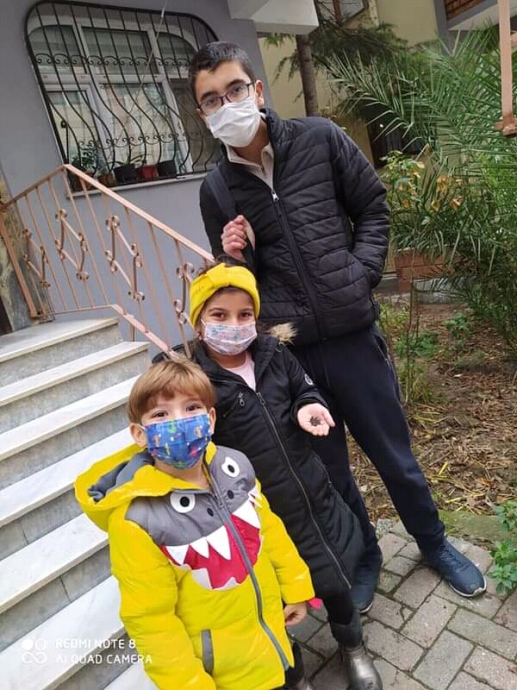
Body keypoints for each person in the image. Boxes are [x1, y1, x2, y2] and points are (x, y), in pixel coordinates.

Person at [189, 41, 487, 614]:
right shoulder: (217, 190)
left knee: (393, 455)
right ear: (202, 114)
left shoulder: (320, 139)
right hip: (290, 357)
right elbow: (238, 288)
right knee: (329, 471)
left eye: (234, 89)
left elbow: (372, 207)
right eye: (211, 99)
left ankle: (433, 542)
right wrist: (233, 258)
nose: (225, 104)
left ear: (256, 90)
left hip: (352, 339)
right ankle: (364, 557)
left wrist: (361, 273)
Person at [185, 261, 382, 690]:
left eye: (244, 314)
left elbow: (303, 389)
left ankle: (353, 648)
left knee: (333, 579)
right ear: (198, 321)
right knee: (271, 599)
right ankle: (293, 674)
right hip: (254, 514)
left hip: (310, 495)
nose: (233, 325)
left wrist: (308, 404)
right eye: (219, 315)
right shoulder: (193, 382)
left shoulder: (275, 354)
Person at [75, 357, 316, 690]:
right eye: (161, 414)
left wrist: (296, 586)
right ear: (140, 434)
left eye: (191, 408)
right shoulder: (136, 522)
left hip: (270, 636)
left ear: (211, 419)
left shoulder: (234, 466)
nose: (180, 422)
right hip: (222, 674)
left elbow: (268, 529)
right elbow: (151, 621)